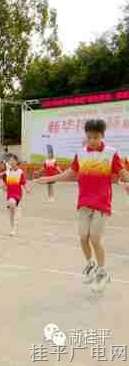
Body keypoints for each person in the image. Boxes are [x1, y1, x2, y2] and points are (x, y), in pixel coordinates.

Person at [36, 119, 129, 292]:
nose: (92, 140)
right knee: (83, 237)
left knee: (95, 238)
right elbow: (71, 173)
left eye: (96, 137)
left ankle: (102, 273)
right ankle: (90, 265)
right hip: (84, 202)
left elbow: (123, 173)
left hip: (102, 203)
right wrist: (49, 179)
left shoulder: (111, 153)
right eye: (89, 137)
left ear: (102, 136)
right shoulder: (81, 154)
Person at [0, 154, 31, 236]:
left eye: (11, 160)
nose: (9, 161)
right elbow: (7, 184)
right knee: (11, 212)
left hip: (17, 193)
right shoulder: (8, 172)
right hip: (9, 193)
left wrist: (27, 189)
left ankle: (17, 208)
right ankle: (13, 228)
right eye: (9, 160)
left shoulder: (20, 172)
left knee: (11, 203)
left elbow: (23, 182)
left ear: (16, 161)